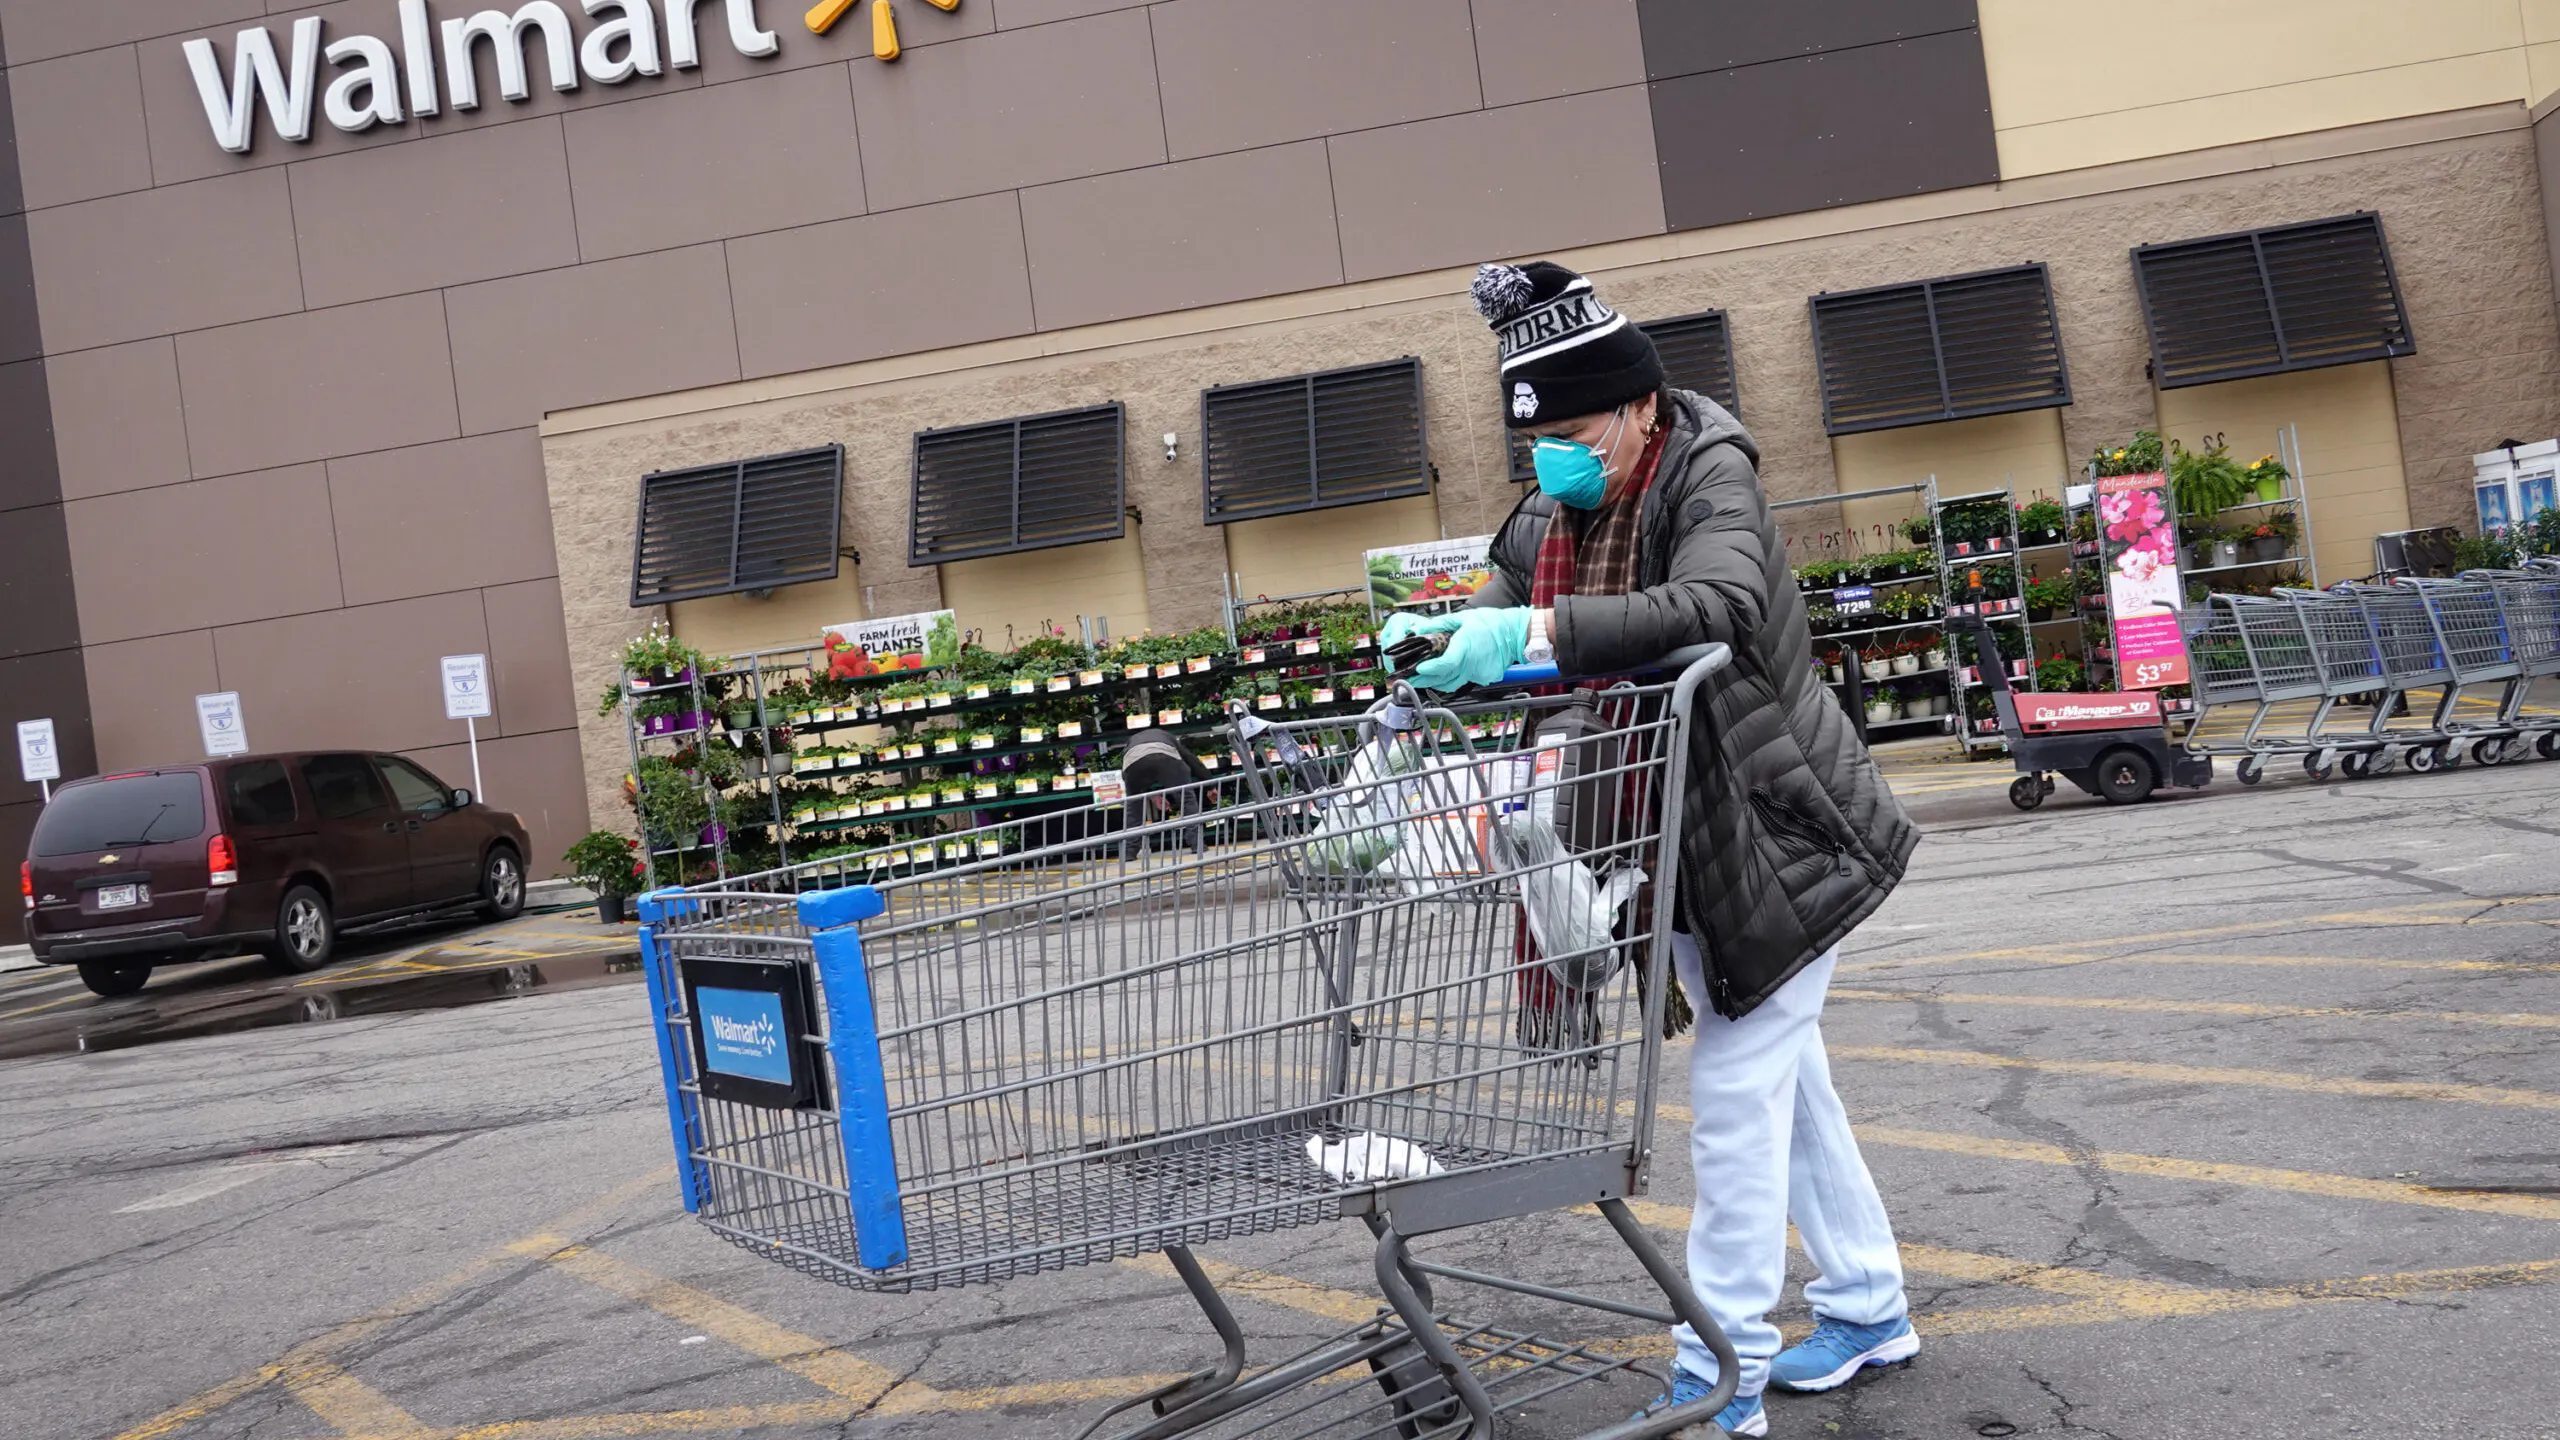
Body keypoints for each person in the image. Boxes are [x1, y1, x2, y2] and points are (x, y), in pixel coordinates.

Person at [1384, 260, 1922, 1436]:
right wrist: (1434, 649)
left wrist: (1525, 631)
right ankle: (1869, 1304)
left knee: (1737, 1090)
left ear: (1638, 409)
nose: (1553, 463)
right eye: (1537, 445)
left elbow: (1717, 608)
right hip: (1655, 837)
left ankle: (1715, 1368)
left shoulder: (1708, 475)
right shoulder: (1555, 510)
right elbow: (1499, 596)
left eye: (1574, 435)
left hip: (1775, 834)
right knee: (1789, 1083)